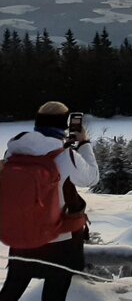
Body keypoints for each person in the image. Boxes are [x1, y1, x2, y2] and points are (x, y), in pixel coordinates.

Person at [0, 102, 99, 301]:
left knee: (12, 288)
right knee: (55, 292)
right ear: (65, 125)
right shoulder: (65, 155)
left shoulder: (13, 152)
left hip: (22, 235)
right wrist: (84, 143)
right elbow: (92, 178)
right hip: (60, 239)